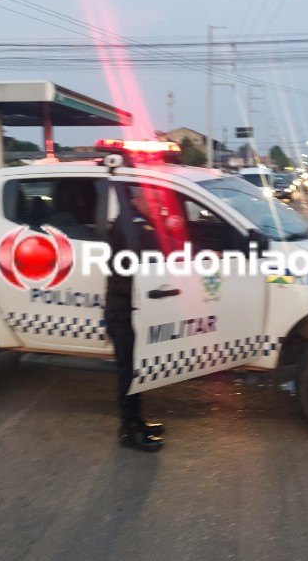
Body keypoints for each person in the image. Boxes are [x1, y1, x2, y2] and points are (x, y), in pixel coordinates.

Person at [105, 186, 184, 452]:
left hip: (133, 307)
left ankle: (137, 422)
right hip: (123, 310)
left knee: (136, 370)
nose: (160, 208)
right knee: (128, 373)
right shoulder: (132, 226)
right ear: (138, 200)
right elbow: (159, 248)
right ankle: (129, 432)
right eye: (156, 202)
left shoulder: (136, 221)